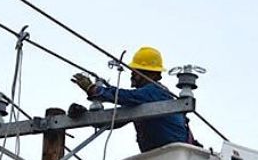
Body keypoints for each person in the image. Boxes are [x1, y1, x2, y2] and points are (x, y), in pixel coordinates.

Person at [69, 46, 197, 152]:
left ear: (150, 73)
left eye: (136, 71)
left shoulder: (156, 92)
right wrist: (85, 116)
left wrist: (95, 90)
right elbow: (114, 121)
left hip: (177, 155)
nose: (132, 75)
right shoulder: (142, 102)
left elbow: (127, 96)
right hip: (161, 157)